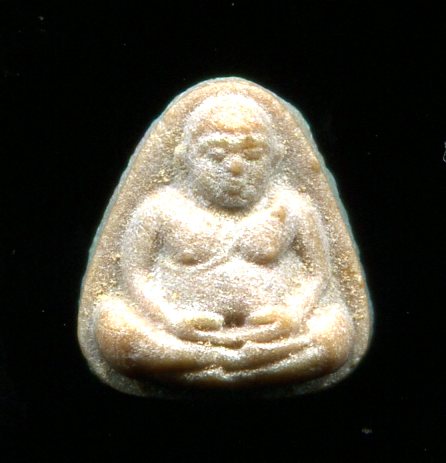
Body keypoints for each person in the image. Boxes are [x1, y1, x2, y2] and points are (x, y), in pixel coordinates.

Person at [95, 94, 354, 385]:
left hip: (274, 337)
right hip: (180, 336)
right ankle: (225, 361)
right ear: (185, 159)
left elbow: (318, 272)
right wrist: (171, 319)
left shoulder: (295, 208)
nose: (235, 168)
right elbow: (134, 274)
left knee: (337, 331)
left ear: (276, 158)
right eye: (216, 156)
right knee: (111, 322)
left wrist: (293, 315)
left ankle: (219, 363)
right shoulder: (158, 209)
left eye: (252, 156)